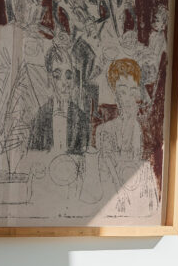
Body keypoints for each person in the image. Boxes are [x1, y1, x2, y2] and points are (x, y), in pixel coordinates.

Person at [97, 58, 158, 216]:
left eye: (133, 90)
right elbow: (109, 169)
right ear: (115, 94)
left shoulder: (144, 129)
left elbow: (143, 164)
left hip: (137, 191)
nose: (129, 97)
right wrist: (121, 194)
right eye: (123, 91)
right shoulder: (105, 130)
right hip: (114, 195)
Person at [28, 45, 91, 155]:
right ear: (49, 79)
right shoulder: (39, 118)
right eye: (57, 76)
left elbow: (85, 157)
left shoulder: (81, 118)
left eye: (68, 76)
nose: (64, 83)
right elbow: (33, 157)